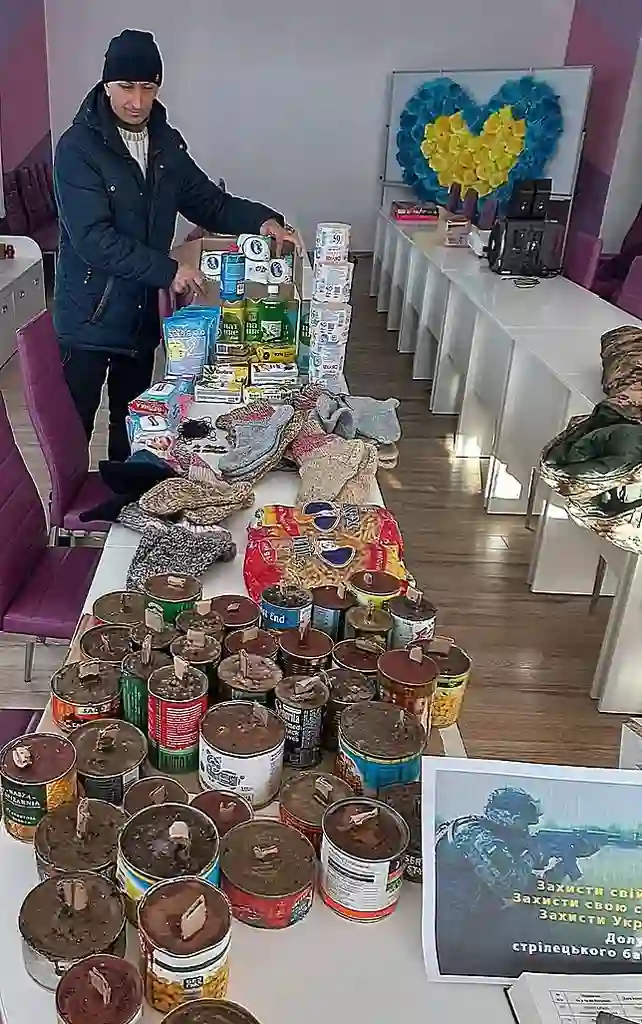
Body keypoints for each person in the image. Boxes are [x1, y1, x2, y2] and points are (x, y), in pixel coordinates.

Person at [53, 29, 301, 462]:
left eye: (148, 88)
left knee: (135, 426)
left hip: (140, 316)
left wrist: (264, 219)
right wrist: (168, 271)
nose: (137, 101)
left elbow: (210, 203)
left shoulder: (165, 144)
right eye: (126, 87)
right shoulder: (78, 148)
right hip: (88, 318)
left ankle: (125, 498)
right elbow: (93, 239)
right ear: (106, 84)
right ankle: (66, 506)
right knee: (72, 434)